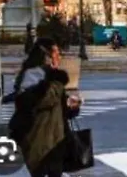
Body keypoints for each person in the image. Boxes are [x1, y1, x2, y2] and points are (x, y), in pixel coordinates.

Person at [9, 38, 82, 177]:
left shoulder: (51, 75)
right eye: (56, 53)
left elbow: (59, 107)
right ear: (46, 56)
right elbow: (41, 101)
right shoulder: (33, 74)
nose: (59, 57)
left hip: (56, 137)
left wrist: (71, 105)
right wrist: (57, 79)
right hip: (38, 137)